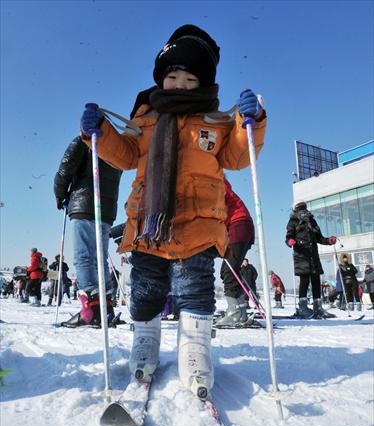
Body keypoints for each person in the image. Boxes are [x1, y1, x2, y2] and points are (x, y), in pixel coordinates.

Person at [80, 24, 267, 398]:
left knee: (195, 290)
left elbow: (236, 156)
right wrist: (98, 131)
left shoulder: (216, 121)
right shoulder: (145, 118)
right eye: (173, 76)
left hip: (199, 224)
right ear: (161, 79)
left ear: (204, 83)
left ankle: (195, 349)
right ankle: (145, 341)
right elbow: (126, 154)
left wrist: (253, 123)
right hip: (149, 226)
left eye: (189, 77)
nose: (180, 83)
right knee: (146, 290)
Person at [54, 136, 122, 327]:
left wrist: (60, 194)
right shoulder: (117, 146)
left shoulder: (84, 140)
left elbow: (65, 168)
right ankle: (105, 308)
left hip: (83, 205)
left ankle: (90, 309)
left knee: (84, 257)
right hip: (106, 209)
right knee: (98, 257)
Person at [286, 202, 337, 319]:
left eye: (304, 207)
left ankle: (318, 307)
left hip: (313, 255)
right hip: (301, 254)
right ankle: (303, 308)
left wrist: (328, 241)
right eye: (300, 208)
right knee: (304, 280)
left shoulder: (312, 221)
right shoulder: (293, 221)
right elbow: (289, 235)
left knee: (315, 280)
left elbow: (319, 238)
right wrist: (290, 242)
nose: (303, 210)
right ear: (295, 210)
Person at [215, 178, 255, 327]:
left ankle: (235, 312)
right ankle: (240, 311)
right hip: (240, 226)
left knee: (228, 271)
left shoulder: (216, 183)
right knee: (232, 270)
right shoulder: (218, 183)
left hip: (238, 225)